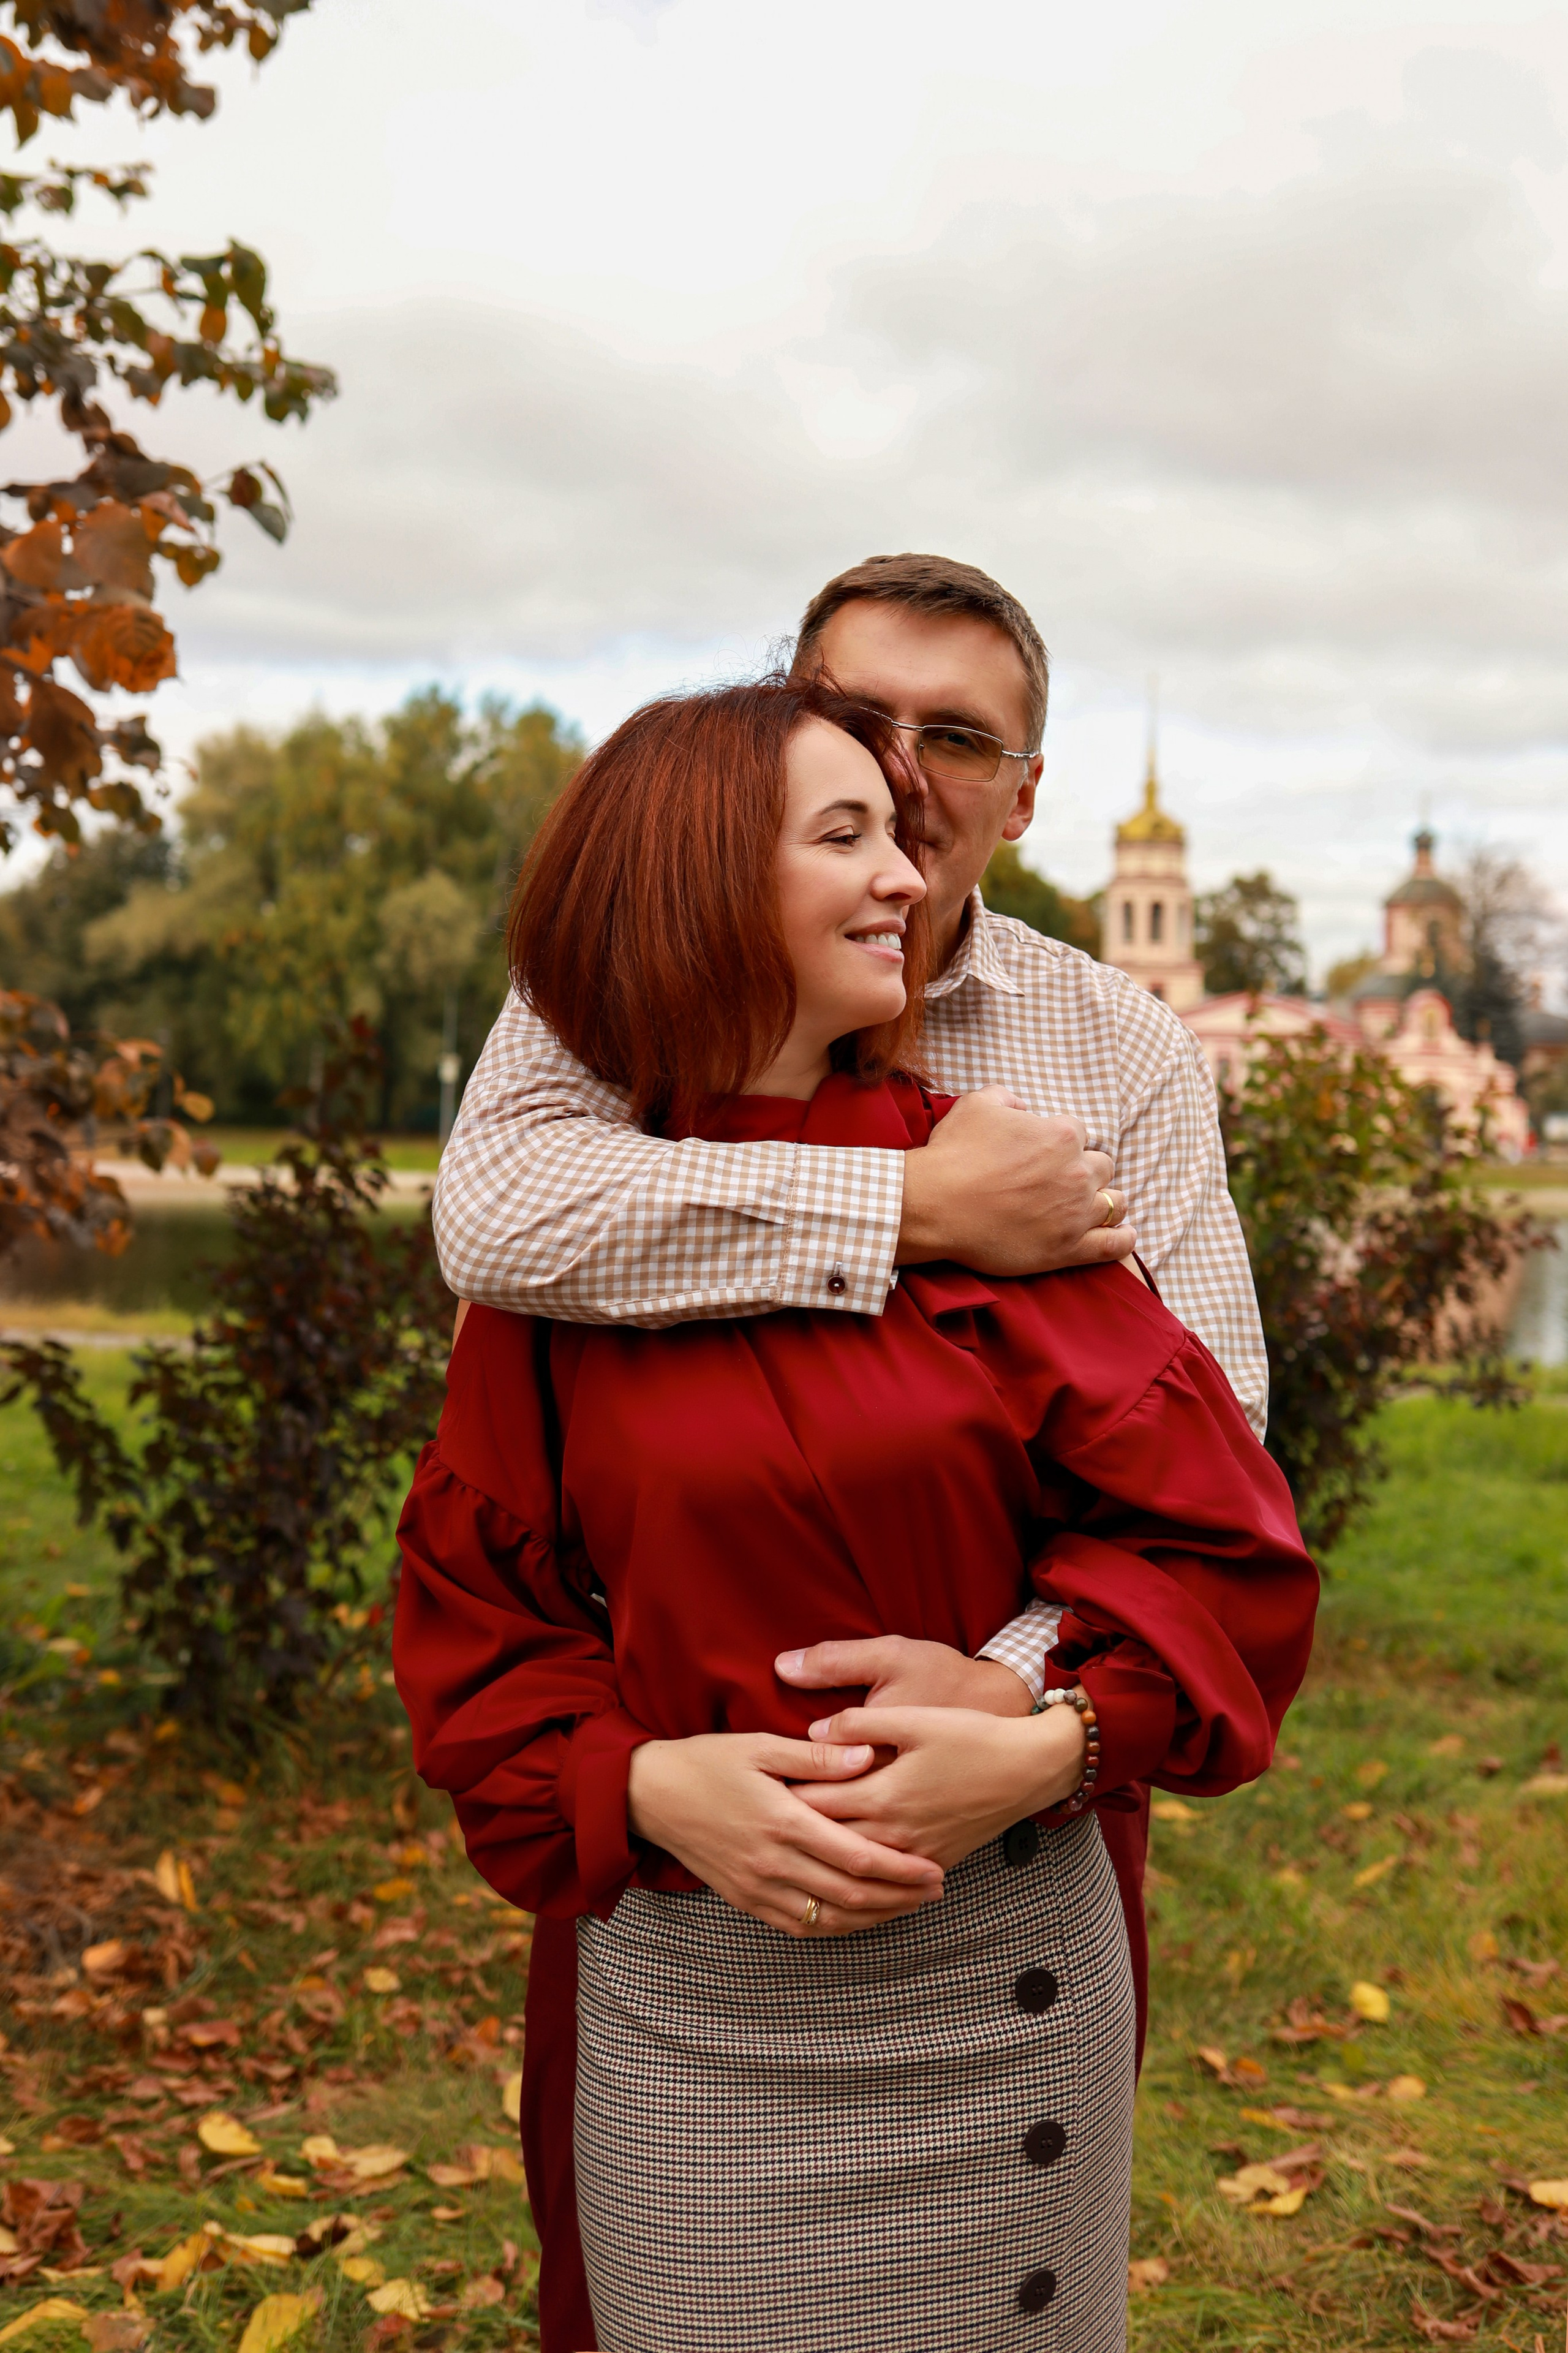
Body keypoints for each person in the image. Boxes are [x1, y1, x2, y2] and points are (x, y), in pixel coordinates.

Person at [397, 677, 1316, 2353]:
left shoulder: (1007, 1184)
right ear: (698, 877)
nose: (909, 872)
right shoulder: (582, 1237)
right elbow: (481, 1629)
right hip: (699, 2015)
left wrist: (1045, 1729)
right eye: (847, 834)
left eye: (905, 826)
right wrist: (644, 1782)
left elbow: (1224, 1548)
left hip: (1004, 1989)